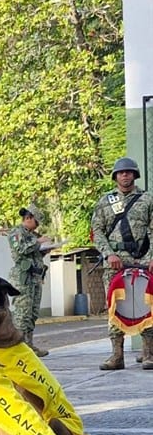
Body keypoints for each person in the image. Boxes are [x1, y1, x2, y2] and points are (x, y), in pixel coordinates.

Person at [91, 157, 153, 370]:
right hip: (115, 264)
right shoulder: (105, 201)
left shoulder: (147, 199)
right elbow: (97, 232)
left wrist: (152, 257)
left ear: (135, 175)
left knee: (147, 306)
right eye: (121, 172)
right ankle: (117, 355)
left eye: (128, 172)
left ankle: (148, 354)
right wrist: (109, 254)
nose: (124, 175)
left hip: (142, 261)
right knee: (114, 308)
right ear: (115, 176)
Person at [7, 203, 53, 357]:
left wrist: (44, 250)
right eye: (36, 222)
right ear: (28, 218)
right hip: (23, 279)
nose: (37, 226)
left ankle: (29, 345)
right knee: (22, 313)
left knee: (32, 313)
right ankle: (18, 348)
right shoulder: (16, 232)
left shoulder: (33, 235)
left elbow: (34, 254)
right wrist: (38, 242)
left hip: (35, 277)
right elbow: (21, 249)